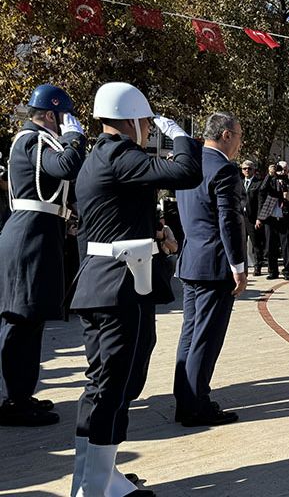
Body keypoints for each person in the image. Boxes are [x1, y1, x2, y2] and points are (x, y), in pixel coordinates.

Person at [70, 82, 202, 496]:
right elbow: (186, 172)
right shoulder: (120, 153)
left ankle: (99, 474)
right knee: (112, 383)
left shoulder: (98, 155)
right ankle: (93, 485)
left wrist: (154, 231)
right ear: (132, 120)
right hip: (116, 286)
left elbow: (116, 215)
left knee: (117, 380)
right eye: (146, 121)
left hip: (116, 280)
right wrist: (180, 135)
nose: (149, 128)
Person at [0, 84, 86, 427]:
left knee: (31, 319)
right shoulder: (32, 140)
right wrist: (74, 139)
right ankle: (14, 402)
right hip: (28, 236)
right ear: (50, 114)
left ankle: (22, 393)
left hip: (39, 231)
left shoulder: (37, 139)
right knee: (20, 320)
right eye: (65, 118)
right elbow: (65, 165)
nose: (68, 124)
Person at [174, 112, 246, 430]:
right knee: (206, 339)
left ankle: (185, 401)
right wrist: (239, 266)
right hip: (215, 264)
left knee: (190, 335)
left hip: (191, 260)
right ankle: (197, 405)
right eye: (240, 137)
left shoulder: (188, 164)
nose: (240, 144)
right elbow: (228, 222)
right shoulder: (224, 170)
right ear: (226, 135)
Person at [257, 161, 289, 280]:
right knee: (270, 246)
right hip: (271, 218)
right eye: (280, 169)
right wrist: (270, 175)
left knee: (287, 247)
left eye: (285, 169)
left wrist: (288, 197)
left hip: (285, 219)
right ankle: (272, 271)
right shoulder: (271, 182)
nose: (282, 171)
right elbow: (262, 190)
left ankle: (287, 271)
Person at [240, 160, 265, 276]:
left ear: (253, 170)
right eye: (244, 169)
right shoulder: (239, 183)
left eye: (249, 169)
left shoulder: (258, 183)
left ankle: (258, 266)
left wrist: (259, 218)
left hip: (253, 217)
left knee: (256, 243)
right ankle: (242, 267)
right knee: (241, 243)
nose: (247, 171)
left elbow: (261, 202)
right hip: (241, 217)